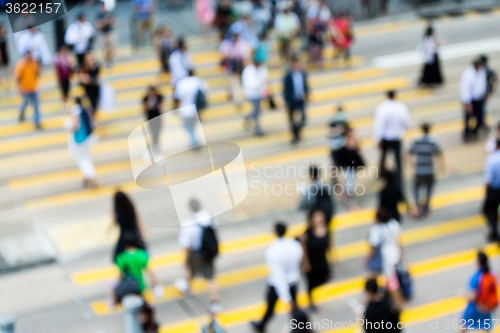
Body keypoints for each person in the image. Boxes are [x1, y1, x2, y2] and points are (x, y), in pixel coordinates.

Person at [250, 222, 303, 333]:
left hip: (277, 285)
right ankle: (298, 328)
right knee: (294, 309)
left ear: (276, 232)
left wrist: (285, 296)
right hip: (293, 281)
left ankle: (262, 325)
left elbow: (279, 276)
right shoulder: (295, 245)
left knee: (271, 308)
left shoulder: (273, 250)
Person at [176, 199, 222, 314]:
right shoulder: (208, 216)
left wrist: (184, 261)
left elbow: (186, 245)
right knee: (211, 278)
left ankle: (187, 289)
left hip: (196, 254)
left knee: (191, 271)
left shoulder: (188, 223)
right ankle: (215, 304)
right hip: (209, 252)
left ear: (190, 208)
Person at [364, 208, 404, 309]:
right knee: (390, 280)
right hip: (395, 255)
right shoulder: (394, 224)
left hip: (385, 259)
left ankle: (399, 304)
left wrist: (367, 260)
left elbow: (373, 247)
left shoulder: (376, 230)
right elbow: (398, 241)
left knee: (391, 283)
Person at [373, 90, 411, 183]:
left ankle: (380, 173)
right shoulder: (401, 107)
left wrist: (376, 138)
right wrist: (403, 131)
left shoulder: (382, 107)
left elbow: (379, 124)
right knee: (397, 158)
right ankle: (399, 175)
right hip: (396, 137)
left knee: (383, 157)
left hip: (385, 137)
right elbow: (406, 122)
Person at [408, 122, 445, 218]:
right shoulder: (434, 140)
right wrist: (442, 166)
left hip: (418, 169)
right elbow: (439, 154)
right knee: (428, 190)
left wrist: (411, 164)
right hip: (430, 169)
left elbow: (409, 153)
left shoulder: (416, 140)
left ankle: (418, 207)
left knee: (416, 188)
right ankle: (426, 209)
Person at [299, 209, 332, 311]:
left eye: (321, 216)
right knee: (310, 284)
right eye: (317, 217)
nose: (320, 219)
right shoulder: (308, 233)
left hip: (322, 260)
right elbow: (303, 248)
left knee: (325, 278)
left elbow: (329, 245)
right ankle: (311, 302)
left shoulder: (326, 229)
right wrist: (305, 263)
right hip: (311, 262)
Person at [113, 232, 160, 303]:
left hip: (128, 288)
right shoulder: (142, 254)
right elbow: (150, 272)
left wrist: (115, 289)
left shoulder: (122, 258)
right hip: (141, 286)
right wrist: (156, 284)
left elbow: (120, 276)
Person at [460, 251, 498, 332]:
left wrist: (463, 294)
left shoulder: (475, 276)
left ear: (478, 261)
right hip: (487, 306)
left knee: (463, 325)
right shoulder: (492, 273)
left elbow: (473, 296)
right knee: (486, 328)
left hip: (475, 307)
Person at [65, 97, 98, 187]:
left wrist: (68, 127)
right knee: (87, 157)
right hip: (87, 138)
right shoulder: (85, 109)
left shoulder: (75, 110)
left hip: (79, 140)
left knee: (82, 159)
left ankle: (90, 176)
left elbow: (75, 126)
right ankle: (88, 177)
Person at [174, 70, 209, 148]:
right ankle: (195, 140)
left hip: (185, 110)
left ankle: (194, 141)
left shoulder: (182, 83)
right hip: (196, 109)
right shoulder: (198, 81)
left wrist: (176, 108)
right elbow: (205, 93)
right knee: (194, 126)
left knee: (188, 126)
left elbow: (178, 97)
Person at [112, 191, 147, 262]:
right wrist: (141, 235)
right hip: (134, 233)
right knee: (142, 254)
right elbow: (138, 222)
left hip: (123, 235)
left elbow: (114, 222)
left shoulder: (117, 211)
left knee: (119, 257)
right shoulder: (131, 208)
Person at [336, 123, 364, 210]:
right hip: (347, 167)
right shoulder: (344, 143)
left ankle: (346, 198)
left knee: (349, 185)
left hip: (351, 167)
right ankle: (351, 204)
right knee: (350, 186)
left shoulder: (353, 142)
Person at [219, 32, 251, 107]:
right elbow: (223, 56)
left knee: (235, 84)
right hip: (231, 68)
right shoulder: (226, 44)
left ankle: (231, 96)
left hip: (240, 67)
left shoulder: (243, 43)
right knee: (234, 84)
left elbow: (246, 56)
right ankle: (237, 100)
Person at [460, 57, 488, 142]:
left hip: (479, 99)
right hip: (470, 101)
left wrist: (486, 92)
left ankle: (475, 131)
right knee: (468, 119)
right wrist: (468, 104)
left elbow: (484, 82)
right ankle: (467, 135)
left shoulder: (482, 71)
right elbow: (464, 89)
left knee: (480, 117)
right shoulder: (467, 74)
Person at [283, 56, 309, 144]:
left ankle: (297, 132)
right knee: (292, 120)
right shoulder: (288, 76)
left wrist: (308, 95)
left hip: (300, 99)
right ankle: (295, 135)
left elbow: (306, 85)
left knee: (303, 118)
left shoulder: (303, 73)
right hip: (291, 100)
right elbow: (285, 89)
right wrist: (286, 101)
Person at [242, 57, 269, 136]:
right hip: (251, 94)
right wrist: (261, 83)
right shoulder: (248, 71)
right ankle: (257, 129)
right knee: (257, 111)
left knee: (257, 111)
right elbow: (250, 84)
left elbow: (266, 79)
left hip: (259, 94)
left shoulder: (262, 68)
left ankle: (249, 117)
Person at [15, 50, 41, 130]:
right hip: (25, 88)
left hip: (33, 88)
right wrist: (19, 88)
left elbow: (38, 73)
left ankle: (37, 123)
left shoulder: (34, 62)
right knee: (25, 104)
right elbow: (18, 77)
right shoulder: (21, 64)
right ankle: (21, 114)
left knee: (36, 106)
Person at [483, 138, 500, 243]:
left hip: (495, 190)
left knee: (487, 210)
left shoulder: (491, 159)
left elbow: (488, 180)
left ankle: (495, 233)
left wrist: (486, 192)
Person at [305, 1, 329, 69]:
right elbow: (308, 26)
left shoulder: (321, 19)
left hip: (319, 35)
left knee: (320, 50)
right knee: (314, 50)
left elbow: (324, 26)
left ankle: (320, 63)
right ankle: (315, 62)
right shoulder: (311, 18)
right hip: (313, 36)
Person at [142, 86, 164, 155]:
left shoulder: (159, 97)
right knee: (153, 133)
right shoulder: (146, 98)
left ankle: (156, 146)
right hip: (150, 118)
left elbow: (161, 107)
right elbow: (144, 108)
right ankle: (154, 146)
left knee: (157, 133)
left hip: (158, 117)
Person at [79, 51, 101, 117]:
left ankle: (94, 118)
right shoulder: (84, 67)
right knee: (90, 105)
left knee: (95, 105)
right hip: (88, 89)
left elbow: (99, 75)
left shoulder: (96, 66)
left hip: (95, 88)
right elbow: (80, 78)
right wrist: (86, 79)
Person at [96, 0, 116, 68]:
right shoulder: (99, 15)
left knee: (112, 49)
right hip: (102, 34)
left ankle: (109, 61)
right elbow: (98, 25)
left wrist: (104, 22)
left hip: (110, 33)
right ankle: (106, 62)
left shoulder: (110, 13)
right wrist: (105, 21)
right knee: (104, 49)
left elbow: (113, 23)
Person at [53, 44, 74, 112]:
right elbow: (56, 69)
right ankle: (63, 105)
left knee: (67, 91)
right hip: (61, 77)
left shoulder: (68, 57)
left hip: (67, 77)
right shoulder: (58, 57)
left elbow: (70, 67)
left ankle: (66, 104)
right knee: (63, 92)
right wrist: (57, 79)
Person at [0, 23, 11, 90]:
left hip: (5, 53)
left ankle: (8, 82)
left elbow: (6, 46)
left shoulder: (5, 36)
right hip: (1, 54)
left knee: (8, 67)